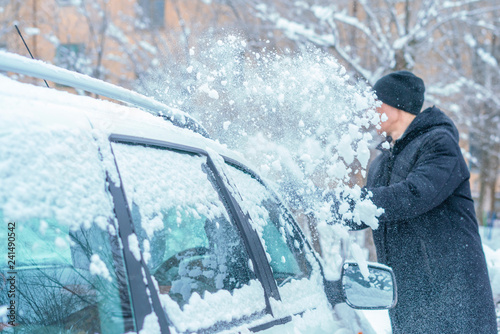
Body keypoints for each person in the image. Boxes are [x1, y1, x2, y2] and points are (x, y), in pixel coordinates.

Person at [345, 71, 497, 333]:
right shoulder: (381, 161)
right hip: (409, 303)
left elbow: (413, 195)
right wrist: (319, 205)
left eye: (376, 100)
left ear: (397, 104)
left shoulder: (439, 144)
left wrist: (345, 203)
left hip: (453, 302)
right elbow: (370, 212)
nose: (370, 108)